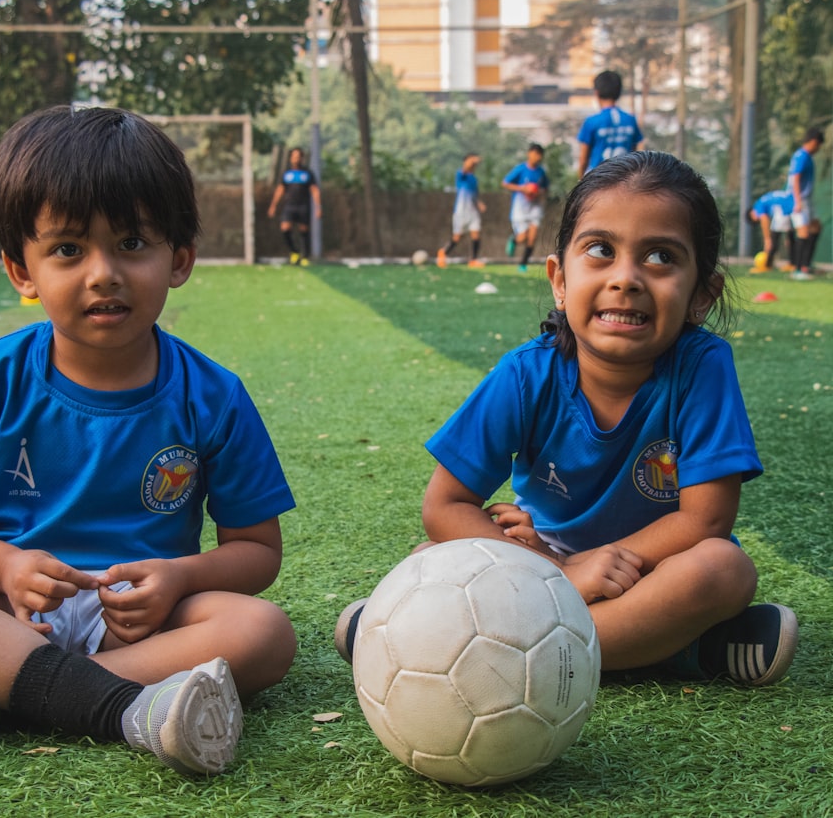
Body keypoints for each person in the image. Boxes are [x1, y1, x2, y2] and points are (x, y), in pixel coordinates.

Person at [0, 106, 298, 774]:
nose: (102, 272)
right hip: (5, 611)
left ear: (179, 260)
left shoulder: (213, 394)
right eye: (68, 249)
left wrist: (179, 576)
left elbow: (257, 551)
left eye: (131, 244)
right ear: (21, 271)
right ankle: (121, 707)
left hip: (145, 625)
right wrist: (4, 566)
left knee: (265, 633)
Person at [337, 151, 798, 687]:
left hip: (653, 569)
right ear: (559, 278)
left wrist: (601, 562)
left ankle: (461, 645)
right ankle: (682, 649)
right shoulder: (525, 374)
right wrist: (560, 573)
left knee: (724, 569)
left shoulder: (703, 367)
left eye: (660, 257)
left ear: (701, 296)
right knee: (433, 555)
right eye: (601, 250)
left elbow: (706, 521)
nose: (626, 278)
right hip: (542, 564)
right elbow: (445, 505)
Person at [577, 71, 645, 178]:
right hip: (624, 179)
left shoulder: (592, 122)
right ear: (619, 92)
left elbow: (583, 160)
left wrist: (581, 181)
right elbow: (638, 151)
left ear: (596, 93)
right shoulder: (630, 120)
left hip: (597, 180)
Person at [267, 146, 321, 266]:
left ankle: (305, 256)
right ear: (291, 158)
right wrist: (273, 205)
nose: (296, 158)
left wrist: (318, 207)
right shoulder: (287, 174)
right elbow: (280, 189)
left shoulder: (307, 173)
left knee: (304, 230)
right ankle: (294, 251)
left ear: (302, 158)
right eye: (294, 156)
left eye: (298, 156)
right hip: (289, 206)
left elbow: (314, 190)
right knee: (285, 228)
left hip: (303, 206)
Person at [502, 143, 549, 273]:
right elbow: (505, 183)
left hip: (535, 207)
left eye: (540, 155)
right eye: (535, 154)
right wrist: (522, 188)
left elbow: (545, 188)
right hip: (520, 207)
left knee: (532, 237)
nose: (537, 157)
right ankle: (514, 240)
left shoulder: (541, 172)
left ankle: (523, 264)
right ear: (529, 154)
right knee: (522, 237)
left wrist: (537, 192)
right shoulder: (520, 169)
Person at [786, 126, 825, 279]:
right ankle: (797, 270)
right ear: (814, 142)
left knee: (816, 227)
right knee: (803, 232)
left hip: (806, 198)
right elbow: (795, 178)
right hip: (799, 199)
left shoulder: (807, 156)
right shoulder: (801, 156)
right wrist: (797, 201)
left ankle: (805, 265)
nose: (819, 149)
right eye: (819, 145)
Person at [437, 153, 487, 268]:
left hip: (473, 212)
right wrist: (472, 161)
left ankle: (473, 260)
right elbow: (466, 167)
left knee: (476, 235)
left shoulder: (474, 179)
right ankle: (443, 252)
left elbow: (474, 195)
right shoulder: (461, 174)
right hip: (461, 212)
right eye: (470, 160)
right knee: (457, 238)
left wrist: (479, 204)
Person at [745, 189, 795, 272]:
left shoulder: (758, 206)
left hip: (782, 208)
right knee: (790, 238)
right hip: (791, 203)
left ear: (751, 214)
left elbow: (764, 220)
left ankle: (767, 266)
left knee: (773, 239)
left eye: (755, 220)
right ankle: (793, 263)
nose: (758, 220)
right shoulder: (763, 200)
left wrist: (767, 239)